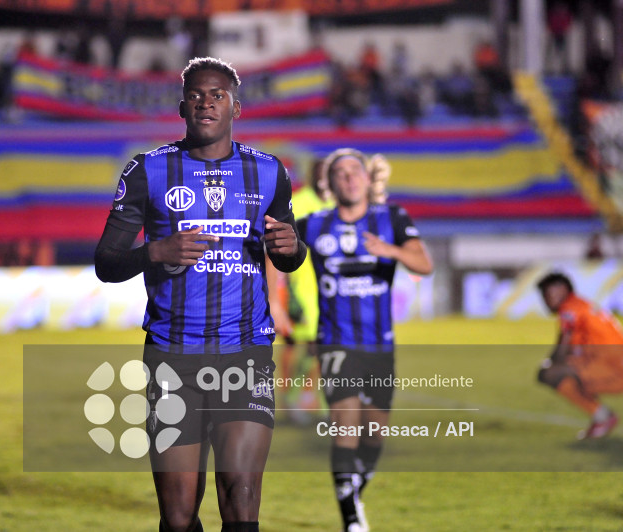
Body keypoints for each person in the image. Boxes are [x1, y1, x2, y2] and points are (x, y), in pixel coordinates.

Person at [94, 57, 307, 532]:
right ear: (181, 107)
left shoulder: (270, 173)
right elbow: (106, 264)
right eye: (196, 94)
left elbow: (288, 254)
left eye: (217, 95)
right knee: (178, 516)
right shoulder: (148, 171)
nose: (206, 102)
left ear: (236, 107)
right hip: (172, 358)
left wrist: (295, 249)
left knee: (241, 498)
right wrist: (156, 251)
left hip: (245, 353)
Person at [297, 149, 433, 532]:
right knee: (346, 425)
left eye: (355, 171)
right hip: (335, 342)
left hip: (380, 346)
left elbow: (424, 263)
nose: (349, 178)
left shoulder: (392, 218)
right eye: (339, 173)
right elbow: (276, 248)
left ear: (366, 179)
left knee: (375, 433)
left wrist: (389, 251)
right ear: (330, 184)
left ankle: (352, 489)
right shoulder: (315, 225)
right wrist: (277, 298)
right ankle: (352, 520)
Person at [267, 158, 334, 423]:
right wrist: (279, 296)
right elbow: (277, 246)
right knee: (296, 344)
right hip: (300, 286)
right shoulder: (299, 202)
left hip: (328, 288)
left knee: (322, 346)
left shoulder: (336, 204)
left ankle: (308, 396)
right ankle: (289, 394)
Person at [536, 272, 623, 439]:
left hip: (614, 369)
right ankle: (601, 416)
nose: (546, 300)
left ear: (561, 290)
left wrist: (551, 362)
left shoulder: (569, 310)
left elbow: (565, 342)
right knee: (567, 368)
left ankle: (602, 417)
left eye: (547, 294)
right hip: (610, 363)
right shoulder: (581, 305)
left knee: (550, 373)